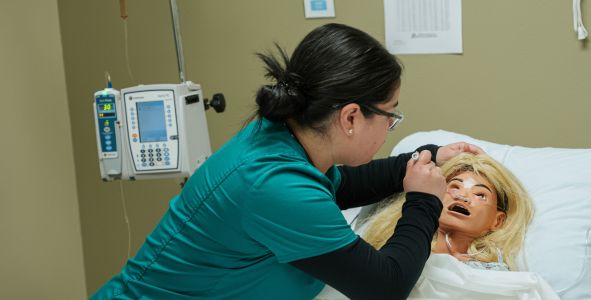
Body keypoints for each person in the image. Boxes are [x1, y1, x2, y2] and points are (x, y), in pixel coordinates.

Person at [92, 23, 484, 299]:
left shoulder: (283, 134)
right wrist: (424, 201)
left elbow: (339, 185)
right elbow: (385, 286)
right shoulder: (272, 184)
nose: (391, 127)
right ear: (350, 117)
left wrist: (420, 162)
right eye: (390, 115)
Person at [360, 153, 534, 271]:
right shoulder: (398, 255)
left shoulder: (495, 275)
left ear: (498, 221)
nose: (463, 197)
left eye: (480, 195)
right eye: (454, 187)